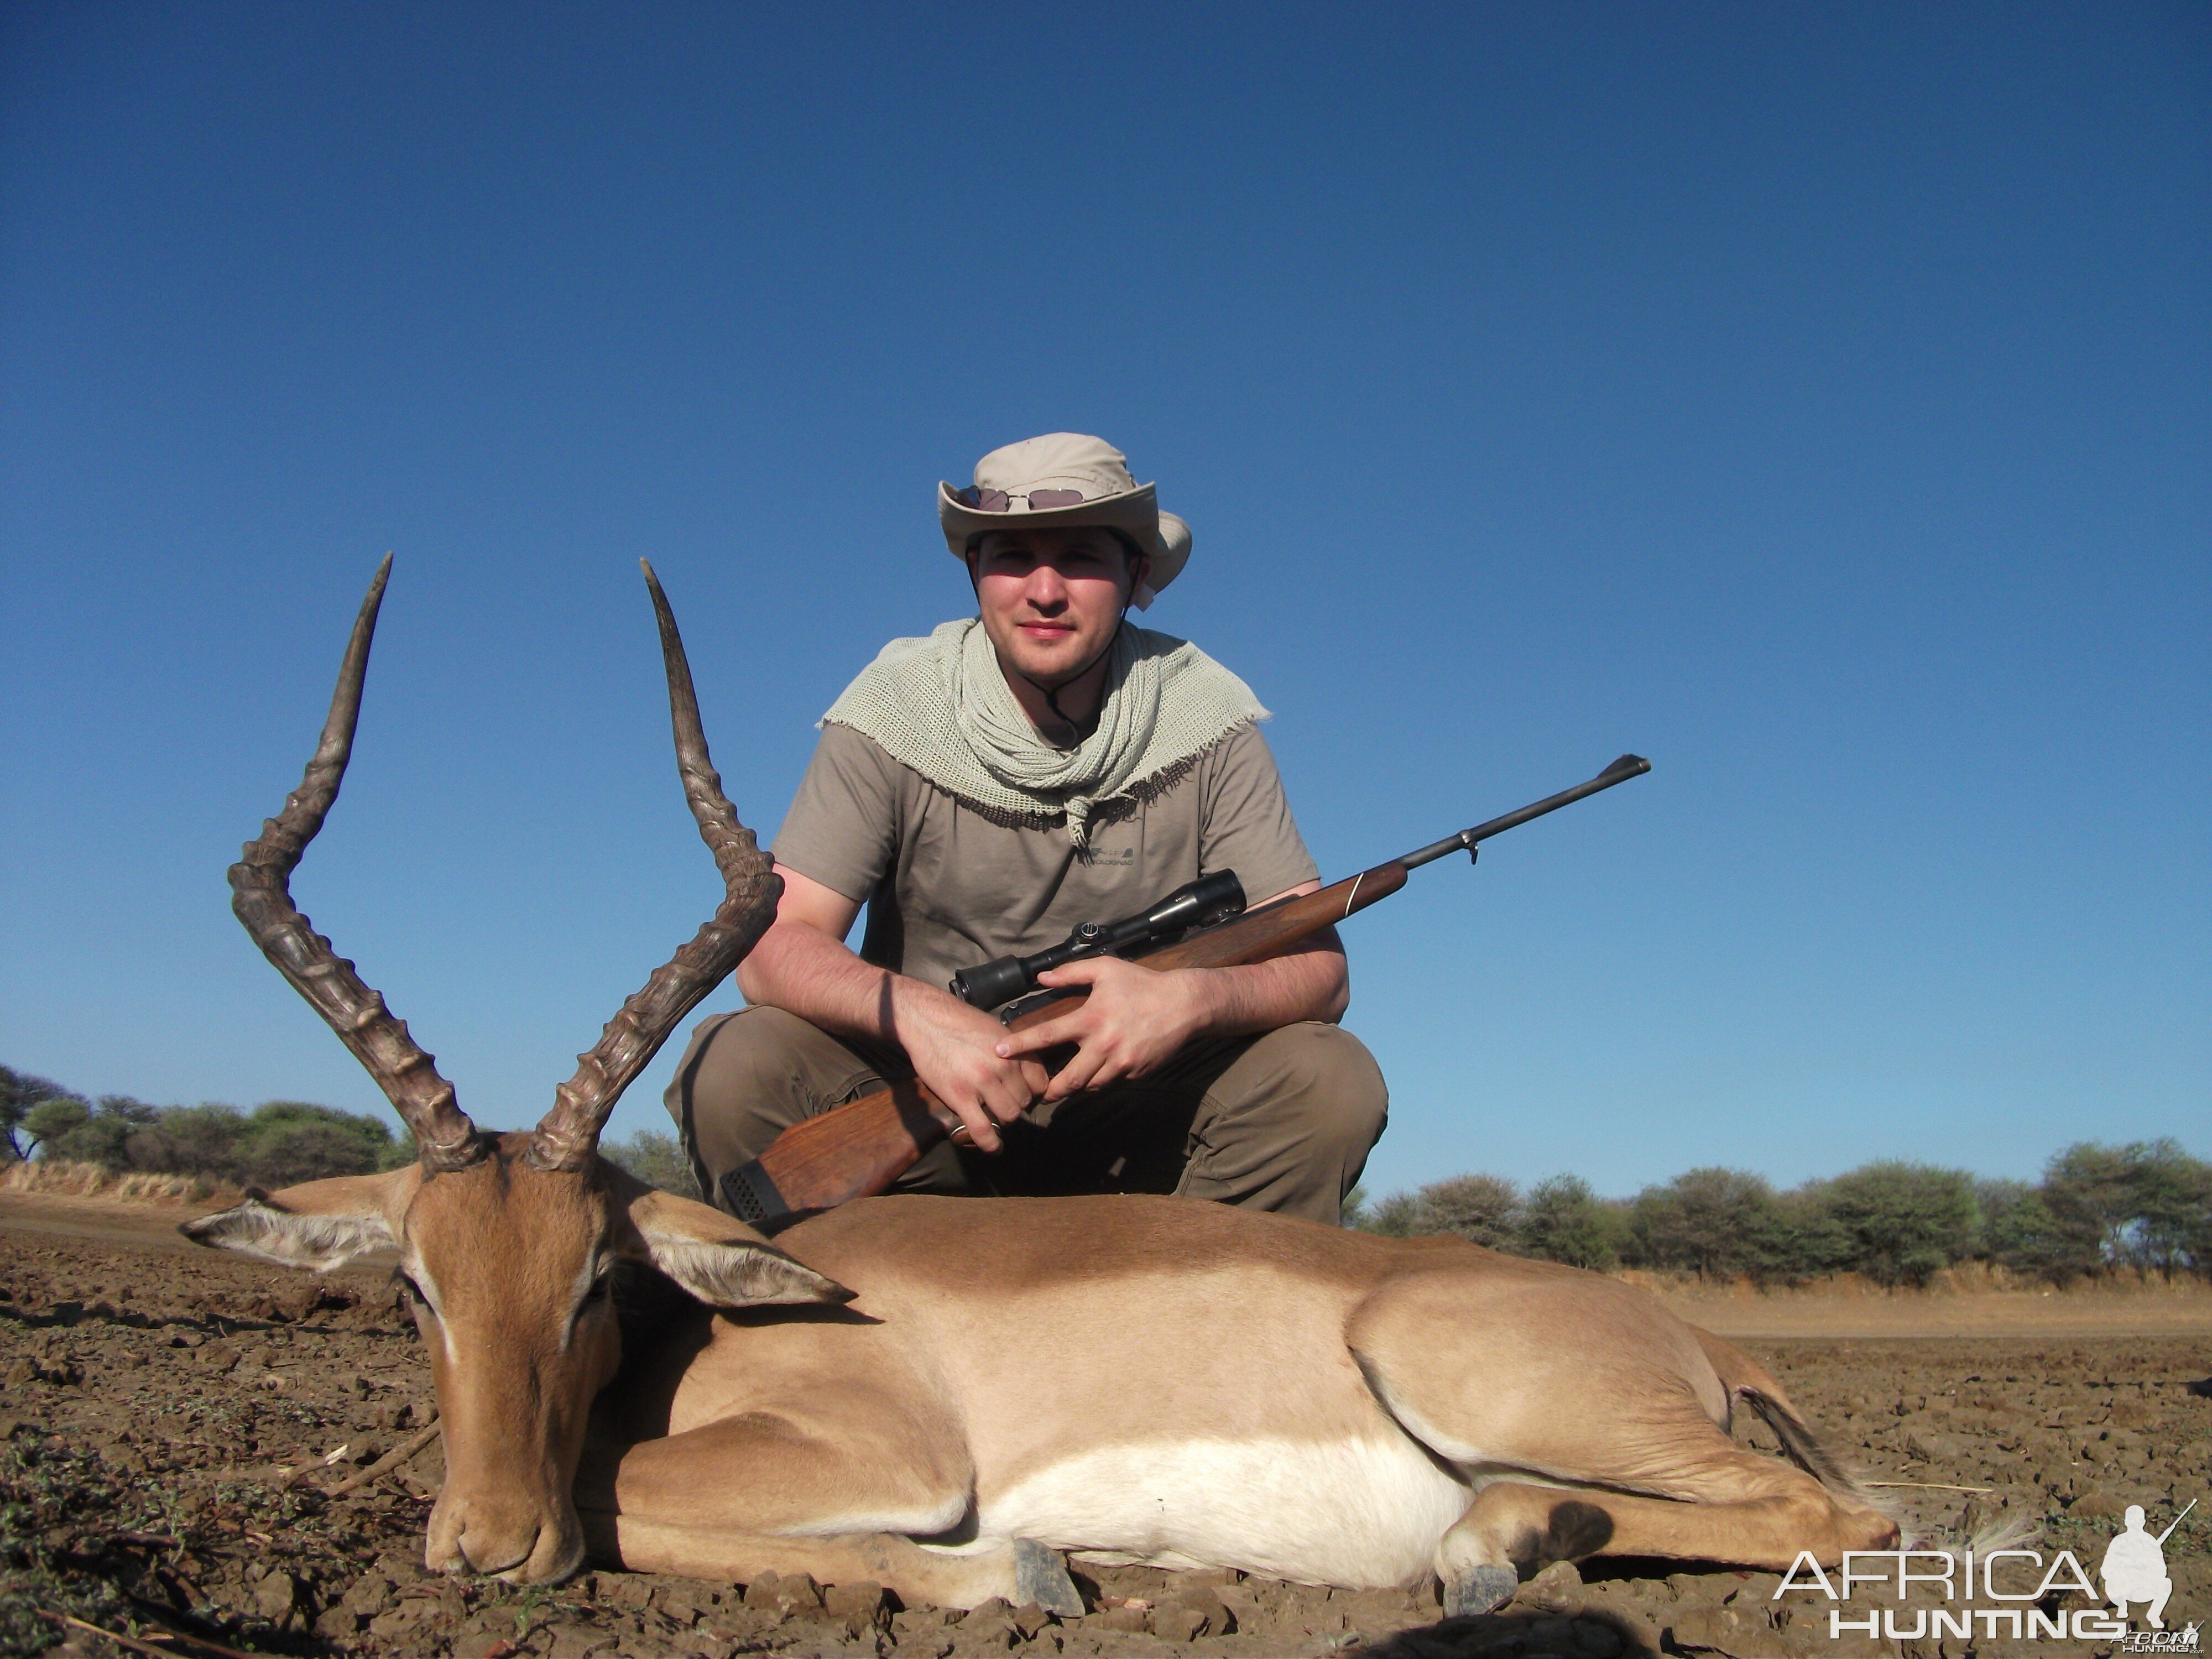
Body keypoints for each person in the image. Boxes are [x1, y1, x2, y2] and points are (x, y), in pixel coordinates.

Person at [665, 432, 1386, 1225]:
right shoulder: (897, 705)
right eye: (1011, 556)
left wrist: (1190, 1000)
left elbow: (1321, 970)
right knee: (734, 1066)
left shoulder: (1209, 717)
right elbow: (774, 948)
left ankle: (1200, 1322)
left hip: (1137, 1115)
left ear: (1135, 575)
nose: (1044, 591)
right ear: (973, 572)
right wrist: (918, 1015)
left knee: (1329, 1080)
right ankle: (843, 1323)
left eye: (1080, 557)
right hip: (932, 1100)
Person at [2100, 1505, 2173, 1628]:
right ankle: (2122, 1606)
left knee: (2166, 1584)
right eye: (2132, 1520)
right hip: (2124, 1587)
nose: (2135, 1524)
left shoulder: (2150, 1541)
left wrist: (2146, 1570)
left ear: (2144, 1522)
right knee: (2111, 1582)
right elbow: (2106, 1569)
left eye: (2138, 1520)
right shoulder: (2119, 1541)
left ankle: (2154, 1615)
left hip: (2144, 1587)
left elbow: (2162, 1571)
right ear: (2126, 1522)